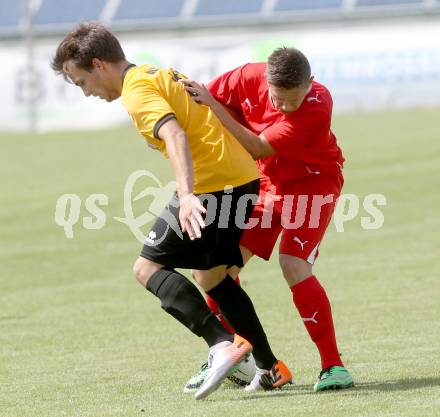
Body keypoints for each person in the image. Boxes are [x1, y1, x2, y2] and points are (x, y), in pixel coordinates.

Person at [51, 23, 292, 400]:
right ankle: (269, 366)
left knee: (146, 269)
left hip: (214, 185)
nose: (86, 92)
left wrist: (187, 194)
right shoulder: (157, 73)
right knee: (210, 276)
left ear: (98, 64)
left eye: (82, 81)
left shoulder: (136, 91)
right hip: (242, 178)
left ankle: (222, 343)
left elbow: (176, 134)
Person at [183, 47, 354, 392]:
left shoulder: (318, 105)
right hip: (265, 185)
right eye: (279, 100)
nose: (287, 107)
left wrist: (213, 107)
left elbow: (258, 146)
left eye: (294, 100)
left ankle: (334, 367)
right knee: (215, 271)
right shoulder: (246, 77)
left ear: (310, 85)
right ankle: (253, 361)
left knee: (293, 264)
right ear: (267, 82)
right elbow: (199, 98)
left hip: (313, 183)